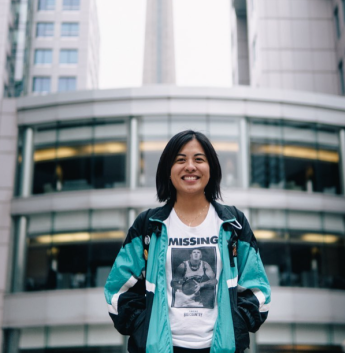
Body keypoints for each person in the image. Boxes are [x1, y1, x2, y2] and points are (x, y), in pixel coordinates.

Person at [104, 130, 271, 353]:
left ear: (211, 168)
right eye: (180, 160)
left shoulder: (233, 224)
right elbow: (119, 288)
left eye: (199, 159)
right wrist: (143, 328)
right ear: (168, 171)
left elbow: (257, 287)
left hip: (221, 348)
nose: (190, 167)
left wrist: (237, 325)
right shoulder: (148, 225)